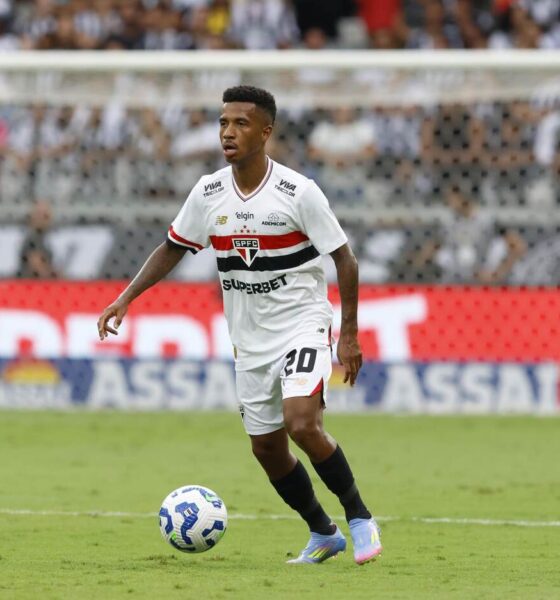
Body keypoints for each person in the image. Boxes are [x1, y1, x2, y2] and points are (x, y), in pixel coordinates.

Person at [97, 85, 382, 565]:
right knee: (267, 449)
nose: (228, 132)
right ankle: (323, 531)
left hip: (302, 323)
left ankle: (360, 518)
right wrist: (125, 298)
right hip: (249, 340)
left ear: (266, 132)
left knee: (302, 423)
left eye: (241, 124)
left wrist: (348, 334)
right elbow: (173, 247)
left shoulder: (298, 192)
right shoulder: (208, 192)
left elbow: (345, 259)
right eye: (223, 123)